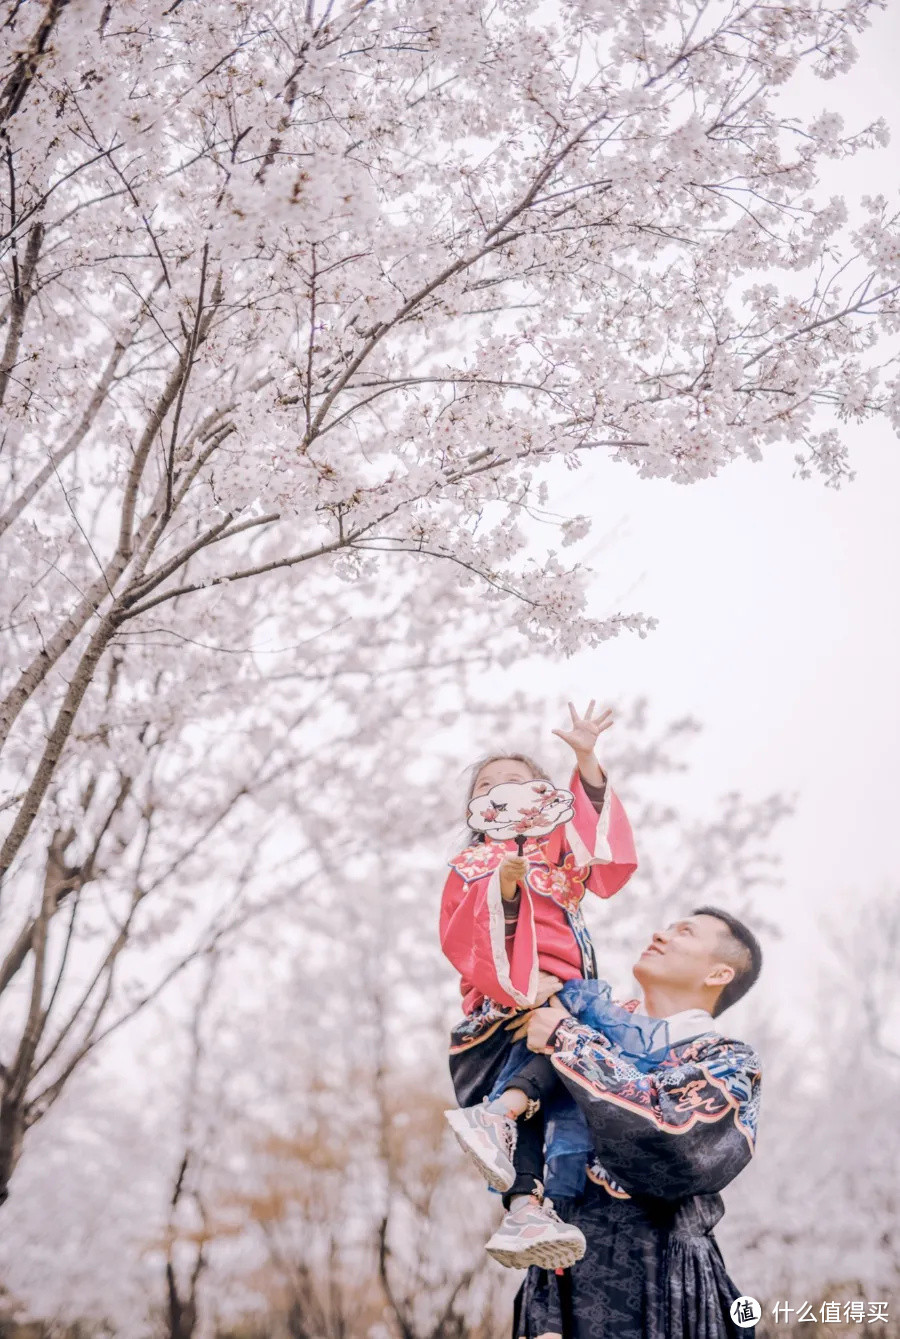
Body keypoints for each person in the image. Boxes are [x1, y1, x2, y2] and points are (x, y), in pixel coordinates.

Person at [440, 702, 638, 1269]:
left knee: (552, 1094)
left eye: (517, 780)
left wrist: (586, 759)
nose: (501, 789)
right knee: (565, 1045)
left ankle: (526, 1204)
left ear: (546, 794)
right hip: (513, 996)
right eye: (487, 784)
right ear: (478, 809)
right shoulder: (472, 862)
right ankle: (501, 1116)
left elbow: (603, 859)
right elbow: (462, 933)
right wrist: (503, 889)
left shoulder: (557, 848)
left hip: (566, 991)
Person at [513, 907, 763, 1339]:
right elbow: (498, 1104)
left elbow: (672, 1144)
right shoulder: (586, 1021)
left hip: (661, 1276)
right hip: (560, 1272)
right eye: (666, 926)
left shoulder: (729, 1062)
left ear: (719, 973)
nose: (660, 934)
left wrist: (568, 1041)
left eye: (684, 932)